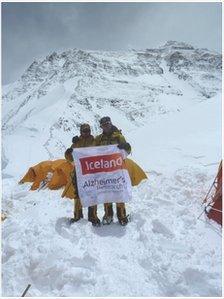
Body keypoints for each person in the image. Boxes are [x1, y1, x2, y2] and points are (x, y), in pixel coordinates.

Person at [94, 116, 131, 226]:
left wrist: (126, 146)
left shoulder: (119, 136)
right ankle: (108, 215)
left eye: (107, 124)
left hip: (117, 170)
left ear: (110, 123)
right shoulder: (98, 139)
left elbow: (127, 152)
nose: (106, 126)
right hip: (104, 171)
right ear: (101, 126)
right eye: (103, 125)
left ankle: (122, 216)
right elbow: (91, 151)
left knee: (119, 192)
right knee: (107, 194)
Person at [65, 123, 100, 226]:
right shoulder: (76, 143)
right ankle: (77, 216)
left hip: (92, 172)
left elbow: (101, 153)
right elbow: (69, 158)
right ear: (81, 131)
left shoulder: (95, 142)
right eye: (84, 131)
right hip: (79, 173)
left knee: (93, 193)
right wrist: (68, 152)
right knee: (78, 194)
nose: (86, 132)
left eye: (88, 130)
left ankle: (93, 216)